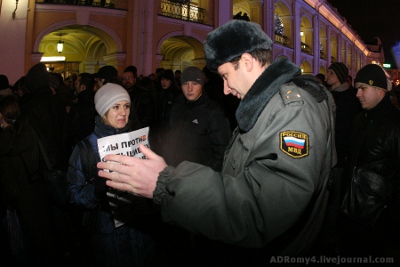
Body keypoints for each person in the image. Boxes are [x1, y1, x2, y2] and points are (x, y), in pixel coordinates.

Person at [97, 20, 336, 265]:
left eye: (225, 76)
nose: (225, 89)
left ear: (246, 62)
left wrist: (166, 181)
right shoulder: (270, 105)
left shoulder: (291, 112)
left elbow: (259, 212)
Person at [67, 83, 155, 267]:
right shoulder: (85, 148)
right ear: (103, 110)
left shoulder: (138, 142)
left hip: (140, 230)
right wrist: (97, 191)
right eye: (116, 107)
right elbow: (73, 194)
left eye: (126, 106)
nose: (123, 112)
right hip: (106, 233)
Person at [339, 64, 400, 259]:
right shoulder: (359, 120)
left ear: (380, 90)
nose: (357, 94)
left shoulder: (395, 124)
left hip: (377, 219)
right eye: (357, 88)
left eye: (363, 88)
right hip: (350, 211)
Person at [0, 95, 63, 266]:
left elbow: (8, 182)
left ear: (1, 116)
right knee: (46, 239)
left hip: (21, 201)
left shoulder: (4, 143)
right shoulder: (29, 130)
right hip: (40, 192)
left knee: (28, 244)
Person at [319, 62, 361, 251]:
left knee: (334, 197)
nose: (326, 75)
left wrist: (343, 155)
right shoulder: (328, 95)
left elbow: (348, 131)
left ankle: (328, 235)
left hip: (339, 156)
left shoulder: (350, 99)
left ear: (339, 75)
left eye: (330, 73)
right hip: (325, 154)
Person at [162, 66, 231, 171]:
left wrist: (207, 177)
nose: (189, 89)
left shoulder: (214, 112)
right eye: (185, 84)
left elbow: (222, 151)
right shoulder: (177, 106)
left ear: (202, 85)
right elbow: (170, 135)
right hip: (174, 172)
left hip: (198, 177)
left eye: (194, 83)